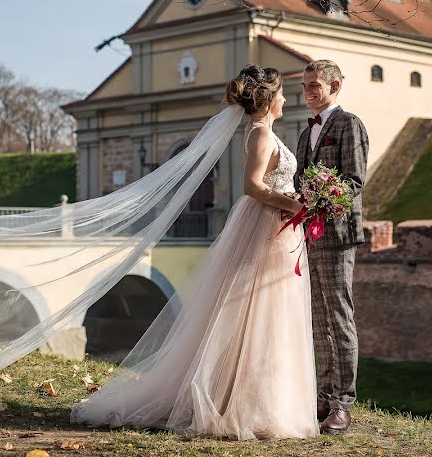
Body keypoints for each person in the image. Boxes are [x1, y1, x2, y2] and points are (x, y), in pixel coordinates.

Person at [70, 65, 319, 439]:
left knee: (269, 311)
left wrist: (292, 202)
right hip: (265, 224)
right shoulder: (261, 135)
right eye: (282, 93)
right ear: (268, 99)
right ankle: (241, 402)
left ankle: (265, 399)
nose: (286, 99)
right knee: (254, 311)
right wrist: (292, 203)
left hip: (275, 224)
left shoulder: (263, 132)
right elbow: (252, 187)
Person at [295, 59, 369, 435]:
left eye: (315, 86)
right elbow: (298, 180)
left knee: (339, 316)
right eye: (305, 85)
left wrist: (321, 198)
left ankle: (343, 403)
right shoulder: (304, 131)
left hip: (338, 234)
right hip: (310, 233)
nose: (308, 91)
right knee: (318, 318)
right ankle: (322, 397)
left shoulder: (349, 124)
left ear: (335, 86)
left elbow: (354, 180)